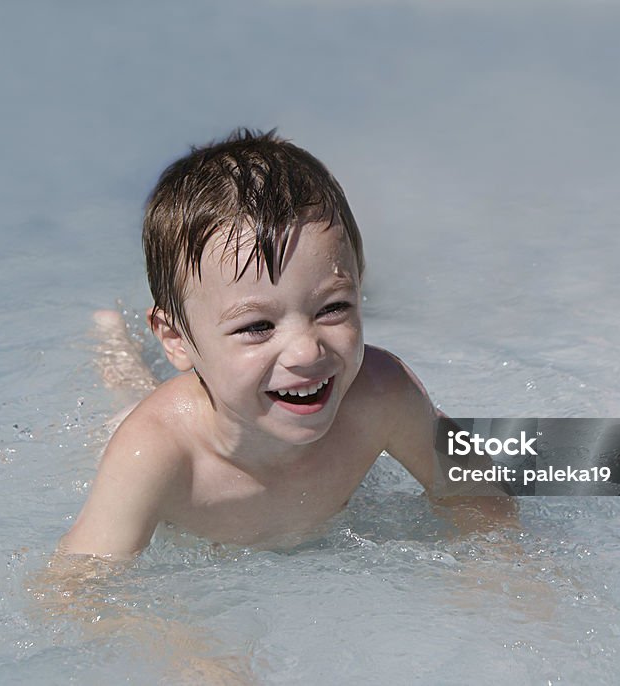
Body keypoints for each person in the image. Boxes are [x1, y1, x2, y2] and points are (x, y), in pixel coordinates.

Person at [59, 129, 513, 559]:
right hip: (154, 426)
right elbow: (77, 591)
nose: (307, 352)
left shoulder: (381, 394)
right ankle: (111, 342)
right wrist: (179, 642)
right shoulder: (156, 455)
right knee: (131, 394)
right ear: (176, 340)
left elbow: (476, 490)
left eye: (332, 308)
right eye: (257, 326)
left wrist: (497, 569)